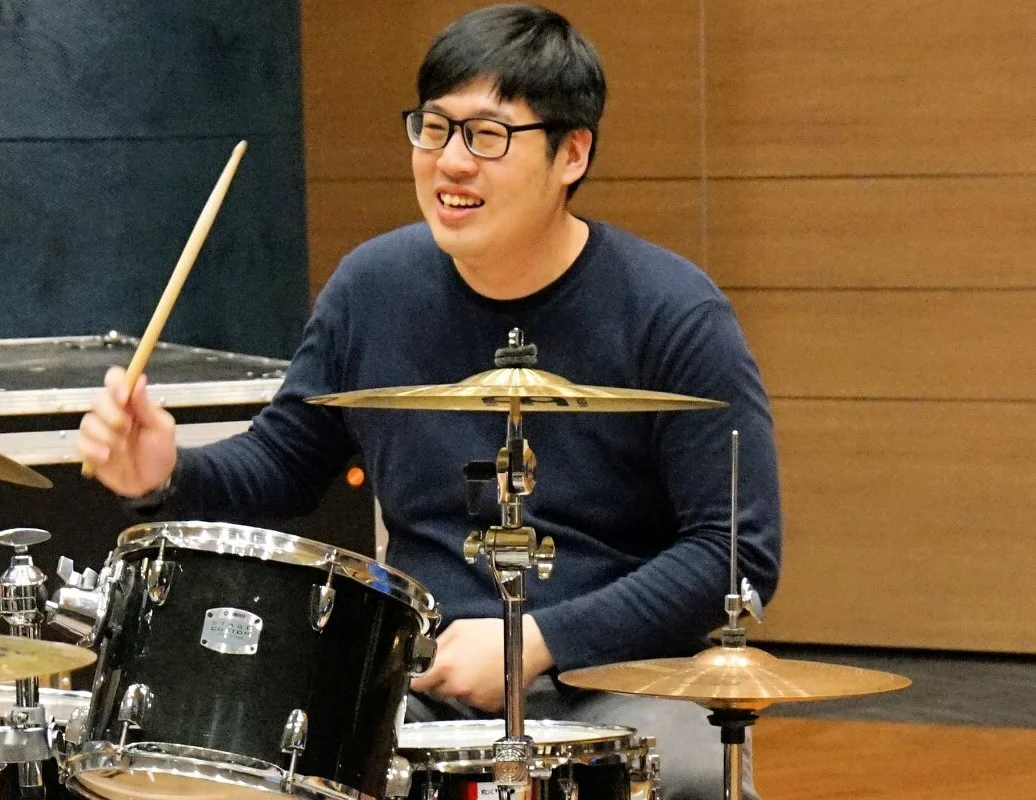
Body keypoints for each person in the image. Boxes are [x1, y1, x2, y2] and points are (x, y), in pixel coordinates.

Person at [78, 5, 781, 799]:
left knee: (691, 780)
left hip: (626, 678)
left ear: (572, 153)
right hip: (424, 673)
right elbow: (284, 463)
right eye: (435, 128)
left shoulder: (673, 314)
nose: (450, 162)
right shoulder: (373, 288)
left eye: (487, 136)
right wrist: (165, 472)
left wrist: (538, 641)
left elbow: (734, 552)